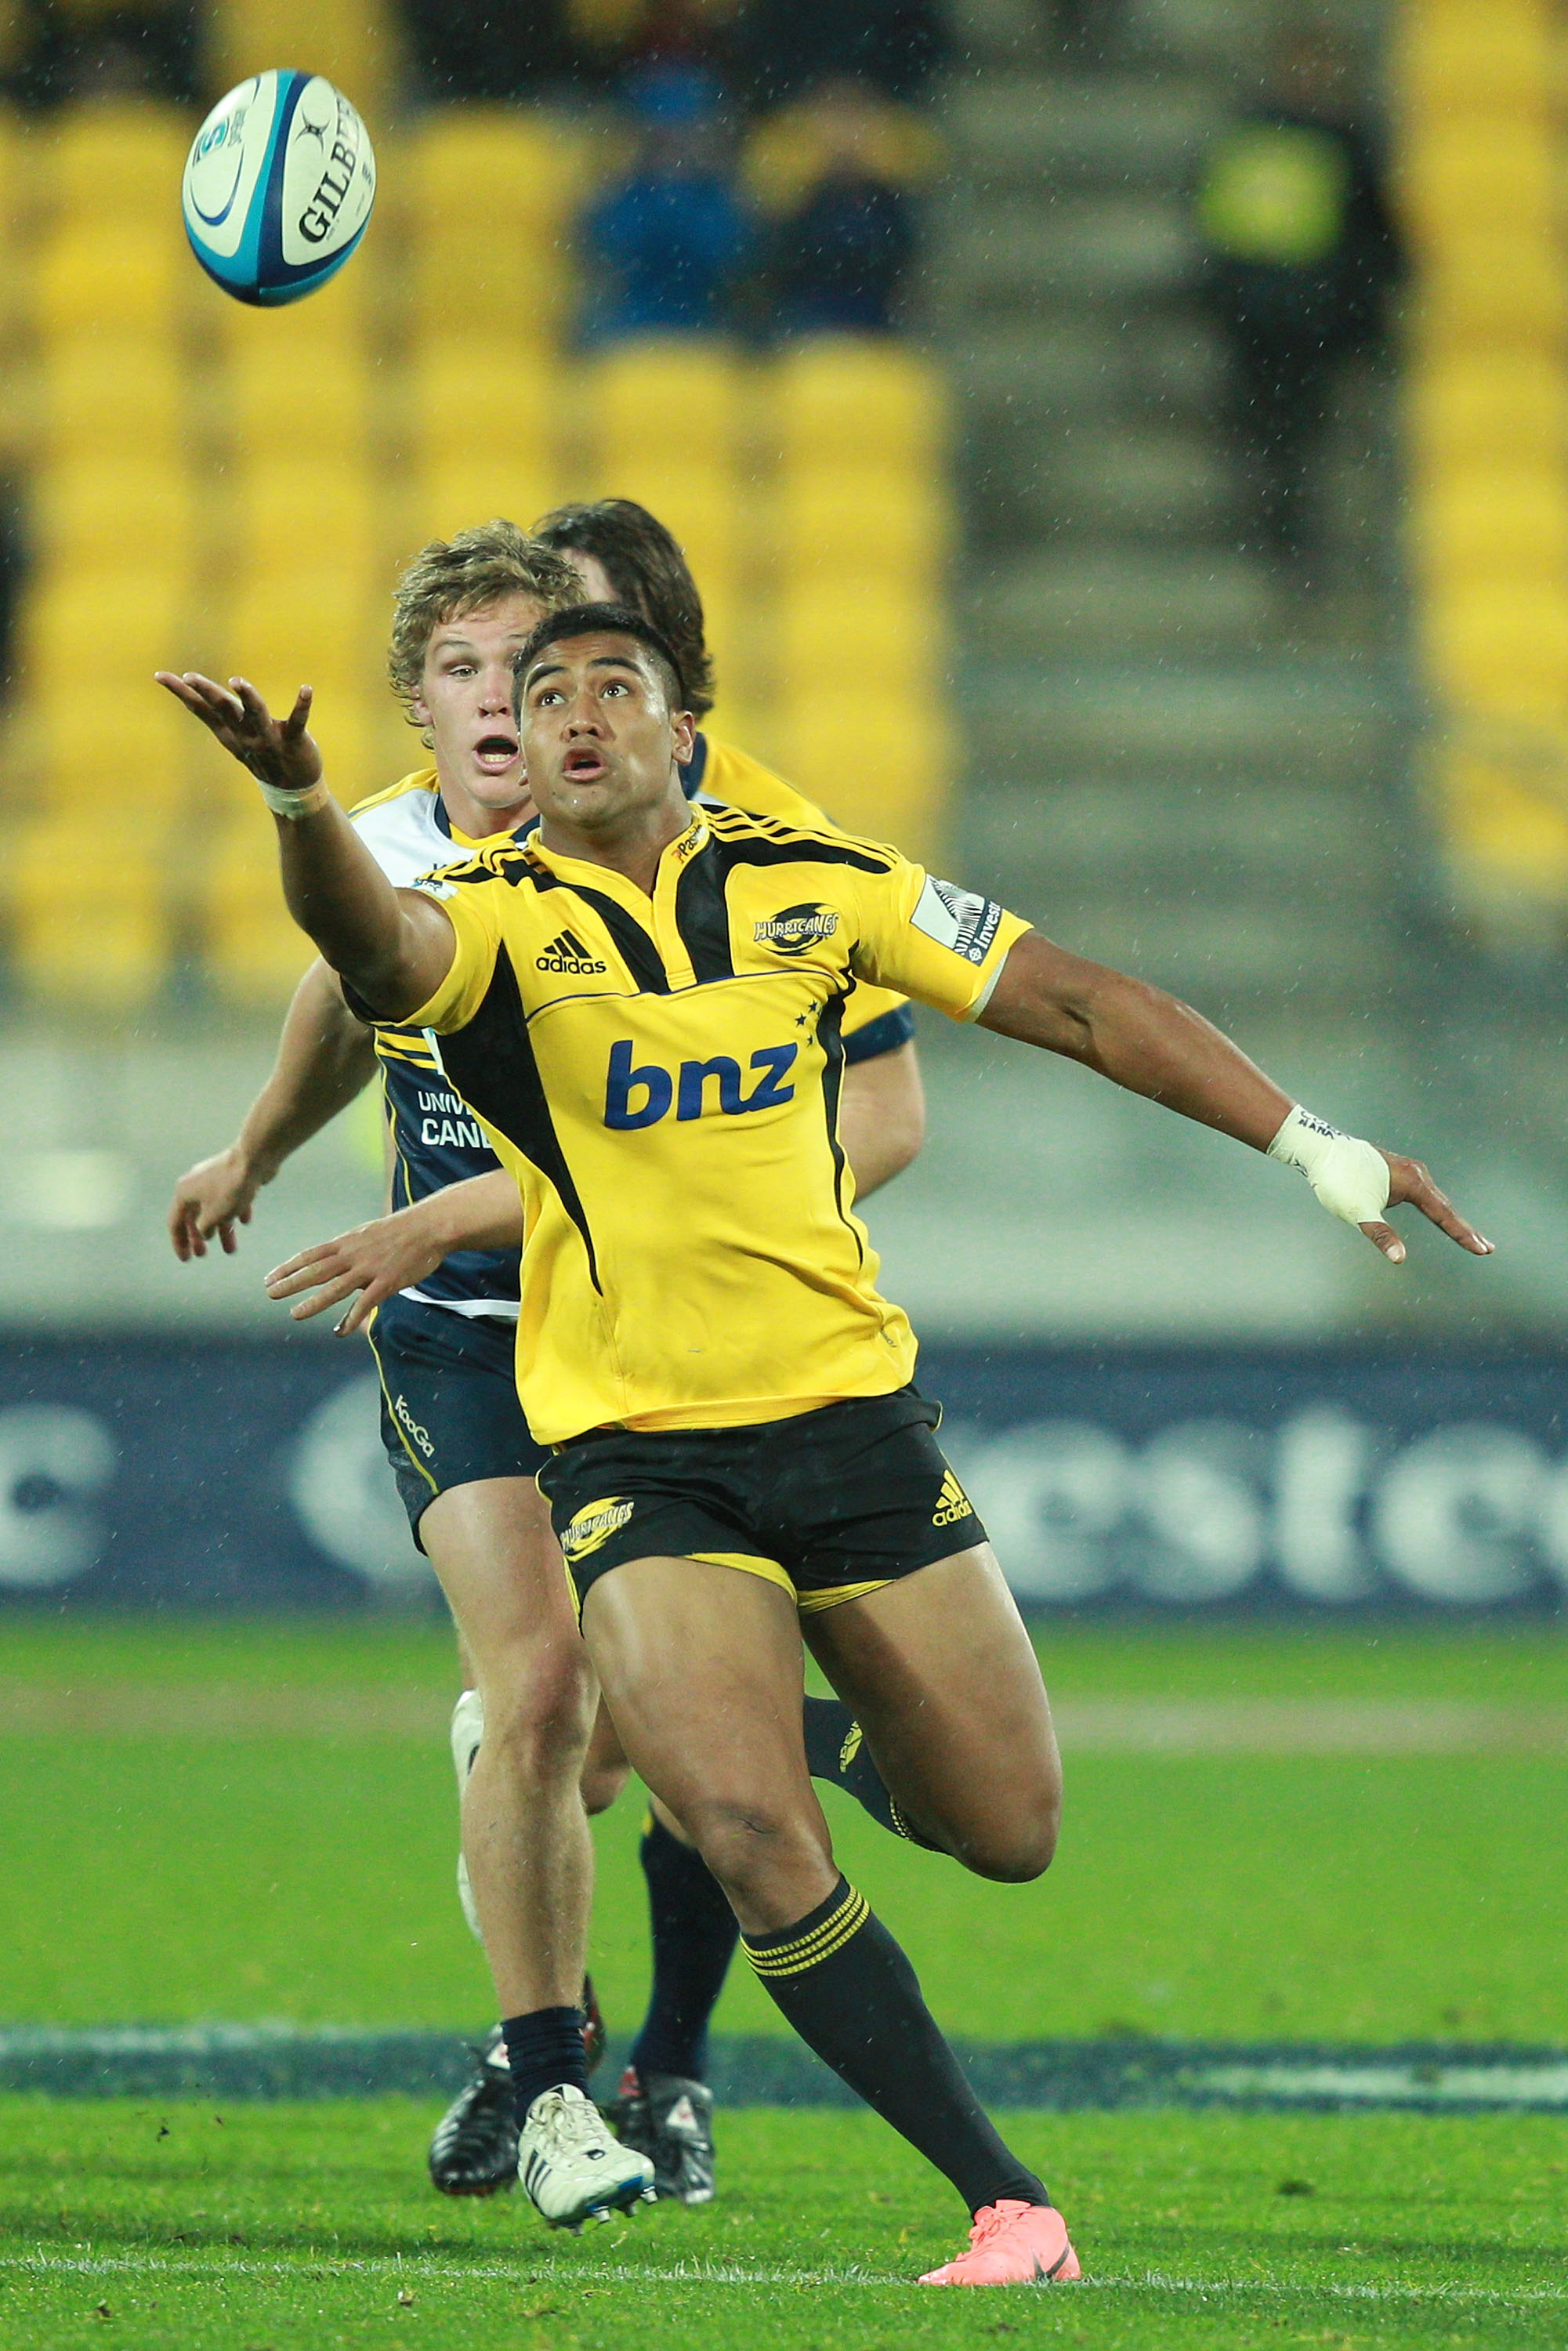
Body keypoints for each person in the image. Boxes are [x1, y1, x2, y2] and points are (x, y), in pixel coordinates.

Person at [158, 603, 1490, 2281]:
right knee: (747, 1832)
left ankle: (724, 1713)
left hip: (851, 1422)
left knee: (1004, 1830)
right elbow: (369, 956)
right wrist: (296, 810)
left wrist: (1308, 1141)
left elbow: (1074, 1002)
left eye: (609, 691)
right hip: (638, 1450)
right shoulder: (492, 917)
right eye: (539, 694)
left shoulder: (816, 882)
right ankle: (1007, 2204)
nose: (568, 719)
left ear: (682, 722)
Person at [166, 508, 929, 2218]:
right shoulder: (387, 859)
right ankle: (553, 2073)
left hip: (687, 1347)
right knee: (544, 1705)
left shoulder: (740, 842)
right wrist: (258, 1158)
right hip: (471, 1358)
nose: (513, 707)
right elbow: (343, 1012)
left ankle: (666, 2056)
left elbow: (878, 1109)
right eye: (469, 674)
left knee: (654, 1740)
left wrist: (673, 1203)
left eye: (537, 669)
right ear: (421, 705)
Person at [1196, 24, 1403, 582]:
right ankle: (1276, 535)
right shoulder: (1253, 137)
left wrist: (1355, 313)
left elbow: (1379, 239)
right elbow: (1215, 231)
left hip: (1312, 324)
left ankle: (1292, 540)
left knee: (1300, 442)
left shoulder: (1341, 142)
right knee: (1270, 436)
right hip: (1259, 321)